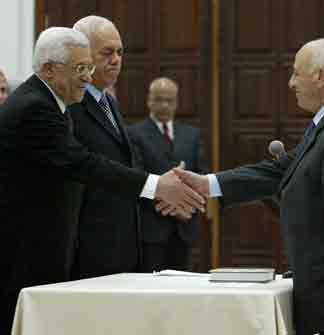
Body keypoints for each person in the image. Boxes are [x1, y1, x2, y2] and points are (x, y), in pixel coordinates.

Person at [172, 38, 324, 335]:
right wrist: (208, 184)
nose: (292, 83)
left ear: (319, 76)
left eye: (296, 73)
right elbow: (279, 169)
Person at [0, 27, 204, 333]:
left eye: (88, 67)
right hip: (25, 252)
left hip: (48, 248)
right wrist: (157, 186)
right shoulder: (35, 108)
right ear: (48, 69)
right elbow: (84, 164)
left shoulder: (54, 103)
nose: (87, 76)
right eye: (80, 68)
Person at [68, 16, 143, 279]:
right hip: (87, 249)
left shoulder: (109, 101)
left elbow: (123, 162)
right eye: (107, 52)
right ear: (83, 54)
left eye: (120, 52)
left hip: (122, 244)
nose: (116, 59)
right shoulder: (70, 103)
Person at [128, 77, 209, 271]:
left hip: (185, 226)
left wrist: (184, 207)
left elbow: (203, 174)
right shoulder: (133, 134)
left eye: (169, 100)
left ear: (177, 101)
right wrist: (169, 204)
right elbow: (134, 176)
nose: (164, 105)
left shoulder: (192, 135)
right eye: (158, 99)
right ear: (149, 100)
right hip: (151, 227)